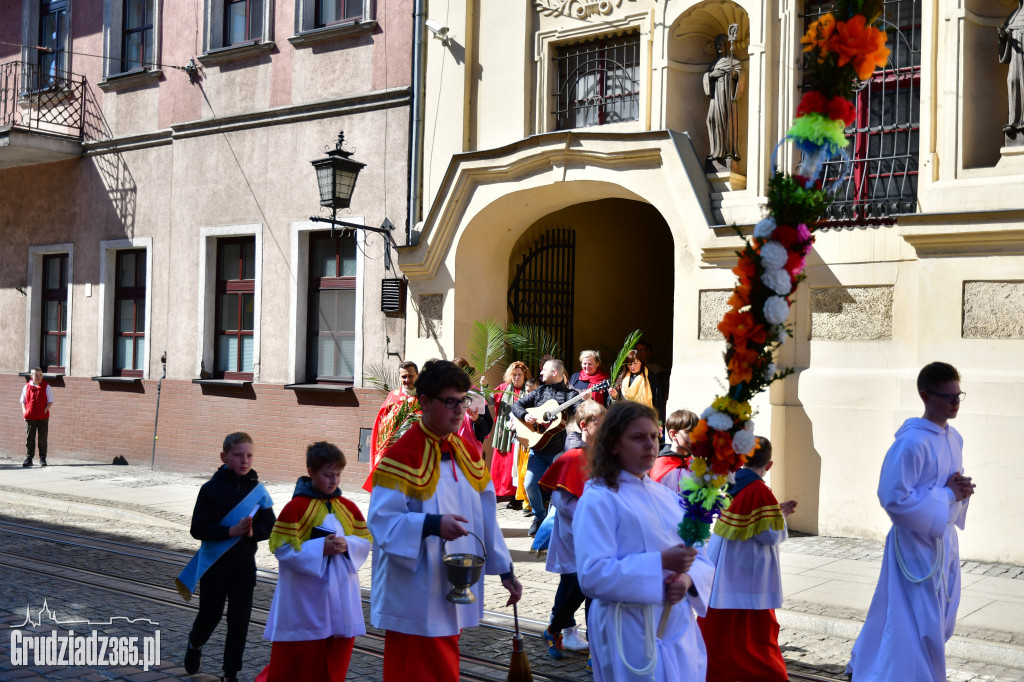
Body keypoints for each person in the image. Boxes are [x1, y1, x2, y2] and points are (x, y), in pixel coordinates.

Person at [367, 359, 523, 682]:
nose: (459, 411)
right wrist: (431, 525)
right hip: (415, 589)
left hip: (453, 584)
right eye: (450, 402)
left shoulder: (467, 452)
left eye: (463, 401)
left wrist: (505, 569)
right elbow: (382, 522)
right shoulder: (400, 457)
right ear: (425, 401)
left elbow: (486, 515)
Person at [846, 362, 976, 682]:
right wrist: (947, 495)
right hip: (914, 545)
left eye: (958, 396)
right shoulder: (911, 442)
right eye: (947, 397)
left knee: (939, 615)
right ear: (925, 396)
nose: (955, 403)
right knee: (914, 618)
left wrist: (959, 491)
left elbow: (944, 485)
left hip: (943, 539)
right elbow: (893, 497)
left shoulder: (954, 438)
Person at [574, 401, 714, 681]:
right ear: (613, 444)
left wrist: (688, 581)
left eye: (653, 436)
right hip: (626, 626)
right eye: (638, 437)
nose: (650, 444)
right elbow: (592, 575)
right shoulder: (599, 499)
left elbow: (701, 556)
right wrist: (660, 561)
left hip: (676, 624)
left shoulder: (667, 496)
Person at [255, 441, 371, 682]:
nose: (334, 480)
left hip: (342, 595)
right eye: (328, 475)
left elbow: (365, 540)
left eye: (338, 474)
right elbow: (282, 549)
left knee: (334, 662)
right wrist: (321, 548)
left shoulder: (347, 507)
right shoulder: (295, 508)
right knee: (301, 664)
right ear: (311, 473)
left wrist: (348, 544)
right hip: (307, 598)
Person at [697, 436, 797, 682]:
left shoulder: (731, 482)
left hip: (724, 570)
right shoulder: (759, 490)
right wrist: (781, 517)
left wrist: (775, 512)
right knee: (754, 635)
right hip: (749, 577)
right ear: (769, 465)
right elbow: (770, 535)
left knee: (720, 631)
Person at [179, 432, 276, 682]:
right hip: (215, 567)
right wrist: (229, 532)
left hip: (244, 568)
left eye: (249, 455)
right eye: (238, 455)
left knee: (239, 622)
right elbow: (198, 528)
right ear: (224, 457)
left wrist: (253, 532)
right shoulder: (210, 490)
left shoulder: (259, 491)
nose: (245, 460)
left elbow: (270, 526)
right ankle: (195, 643)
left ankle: (230, 673)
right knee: (210, 615)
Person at [538, 399, 606, 663]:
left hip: (599, 536)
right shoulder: (571, 458)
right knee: (574, 587)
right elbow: (560, 500)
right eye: (599, 424)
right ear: (584, 425)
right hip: (574, 535)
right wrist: (588, 519)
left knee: (594, 590)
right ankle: (556, 629)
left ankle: (595, 648)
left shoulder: (604, 457)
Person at [511, 358, 580, 536]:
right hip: (538, 450)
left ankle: (553, 523)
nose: (540, 372)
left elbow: (581, 415)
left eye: (544, 370)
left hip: (559, 452)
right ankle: (539, 517)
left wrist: (585, 402)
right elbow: (516, 405)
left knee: (557, 491)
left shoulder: (571, 396)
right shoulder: (540, 391)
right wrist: (525, 416)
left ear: (554, 372)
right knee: (529, 484)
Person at [491, 361, 531, 503]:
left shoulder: (529, 389)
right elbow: (490, 401)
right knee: (505, 462)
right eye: (514, 374)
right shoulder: (503, 388)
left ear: (525, 375)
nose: (517, 377)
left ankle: (518, 495)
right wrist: (484, 388)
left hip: (522, 432)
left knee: (518, 463)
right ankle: (504, 493)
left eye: (519, 374)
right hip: (504, 432)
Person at [369, 361, 420, 469]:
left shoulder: (425, 398)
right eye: (404, 377)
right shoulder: (393, 396)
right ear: (399, 377)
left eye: (411, 376)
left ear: (418, 375)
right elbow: (382, 425)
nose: (407, 380)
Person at [704, 32, 742, 165]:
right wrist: (711, 75)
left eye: (720, 44)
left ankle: (727, 151)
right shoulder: (714, 63)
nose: (718, 47)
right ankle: (716, 151)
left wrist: (735, 74)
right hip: (716, 98)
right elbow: (706, 76)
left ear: (726, 45)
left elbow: (741, 75)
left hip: (727, 98)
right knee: (711, 120)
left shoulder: (734, 60)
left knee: (727, 122)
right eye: (716, 45)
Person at [651, 409, 698, 492]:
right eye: (690, 433)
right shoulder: (659, 465)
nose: (695, 438)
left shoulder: (695, 465)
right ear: (673, 434)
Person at [998, 1, 1024, 141]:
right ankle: (1014, 122)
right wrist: (1003, 35)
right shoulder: (1014, 16)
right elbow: (1006, 37)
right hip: (1016, 59)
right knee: (1013, 81)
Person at [609, 350, 660, 416]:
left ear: (641, 362)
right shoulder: (622, 378)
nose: (632, 366)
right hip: (626, 415)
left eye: (635, 363)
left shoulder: (649, 377)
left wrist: (659, 420)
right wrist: (615, 397)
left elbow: (657, 398)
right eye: (629, 364)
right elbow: (618, 402)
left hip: (644, 415)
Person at [20, 367, 53, 467]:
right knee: (30, 439)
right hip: (30, 417)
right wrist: (25, 411)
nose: (39, 377)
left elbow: (50, 401)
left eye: (40, 375)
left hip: (43, 418)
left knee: (42, 439)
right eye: (36, 375)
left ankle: (42, 459)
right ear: (31, 376)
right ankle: (29, 458)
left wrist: (44, 411)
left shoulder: (46, 387)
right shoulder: (27, 387)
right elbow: (23, 401)